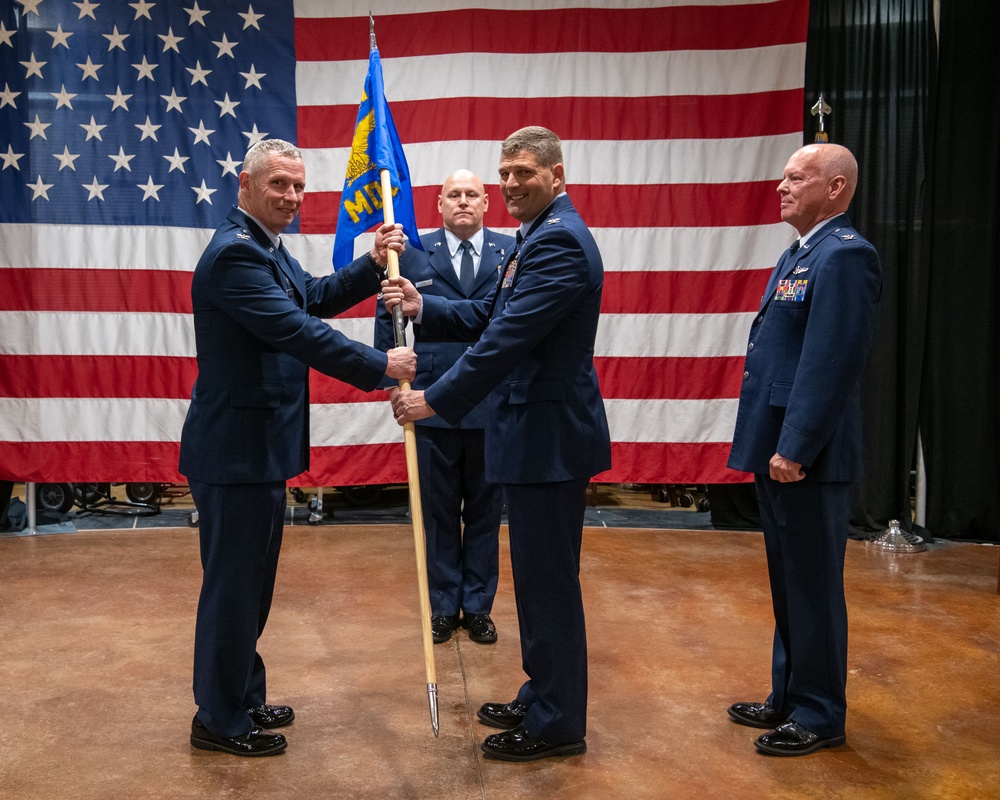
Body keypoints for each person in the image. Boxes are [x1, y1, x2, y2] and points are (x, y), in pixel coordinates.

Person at [178, 138, 416, 758]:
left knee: (252, 586)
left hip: (258, 447)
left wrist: (370, 264)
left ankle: (242, 692)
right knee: (233, 587)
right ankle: (220, 717)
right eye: (278, 184)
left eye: (298, 187)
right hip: (235, 451)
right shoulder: (235, 256)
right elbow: (296, 330)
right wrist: (379, 364)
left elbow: (309, 297)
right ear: (245, 185)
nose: (290, 197)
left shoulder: (264, 248)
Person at [384, 126, 610, 762]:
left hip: (549, 438)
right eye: (504, 172)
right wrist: (426, 307)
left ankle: (557, 723)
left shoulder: (558, 241)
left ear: (557, 177)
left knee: (549, 586)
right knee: (537, 583)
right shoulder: (537, 237)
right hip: (534, 435)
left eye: (523, 174)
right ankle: (544, 691)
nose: (510, 184)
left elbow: (505, 342)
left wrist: (435, 398)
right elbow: (491, 316)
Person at [726, 143, 882, 756]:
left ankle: (819, 713)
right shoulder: (802, 252)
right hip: (781, 448)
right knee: (790, 581)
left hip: (808, 456)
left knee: (813, 585)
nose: (782, 185)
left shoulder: (845, 257)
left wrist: (796, 447)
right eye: (784, 175)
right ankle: (789, 694)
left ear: (837, 187)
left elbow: (830, 362)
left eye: (797, 177)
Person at [374, 170, 514, 646]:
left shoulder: (510, 254)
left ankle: (477, 607)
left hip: (490, 398)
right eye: (453, 194)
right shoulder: (410, 254)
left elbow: (501, 322)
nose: (463, 202)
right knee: (436, 513)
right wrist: (389, 378)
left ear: (486, 203)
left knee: (484, 512)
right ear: (438, 204)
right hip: (430, 401)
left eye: (471, 194)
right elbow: (386, 314)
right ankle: (441, 605)